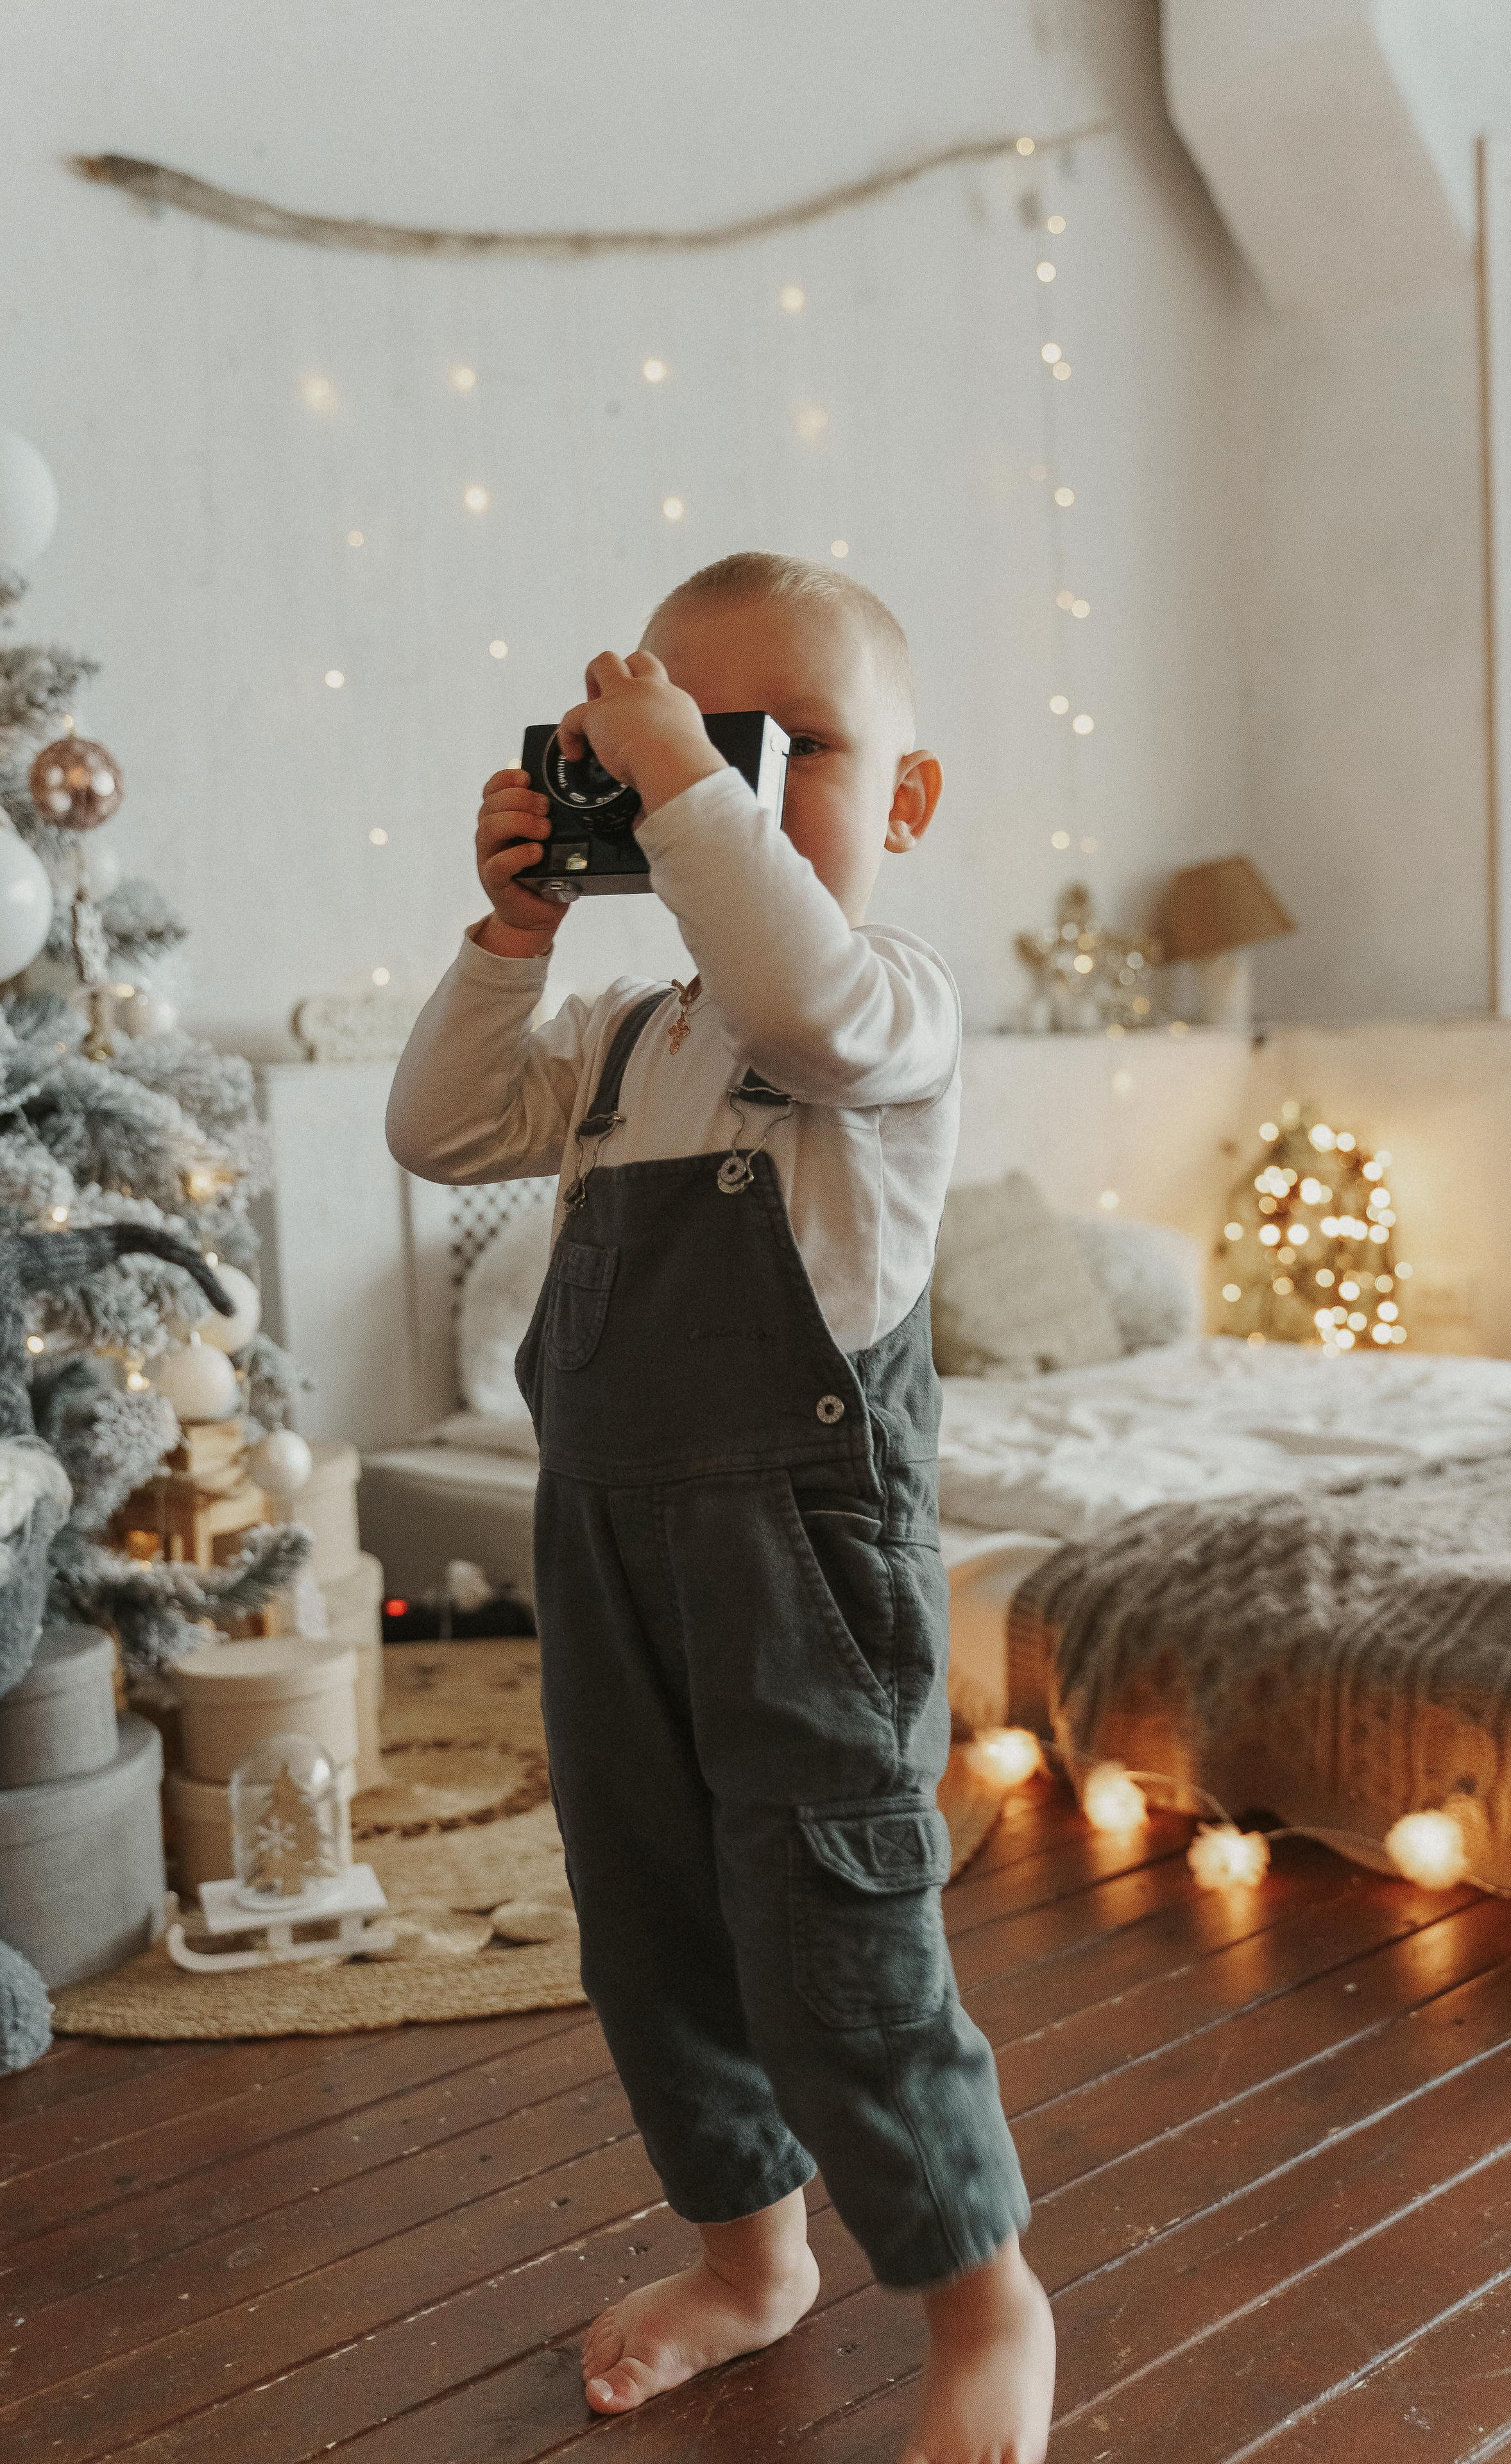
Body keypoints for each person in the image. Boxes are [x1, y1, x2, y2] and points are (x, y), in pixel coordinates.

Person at [387, 552, 1055, 2464]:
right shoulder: (621, 1041)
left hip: (799, 1574)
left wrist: (689, 794)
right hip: (604, 1559)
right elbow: (435, 1133)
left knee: (833, 1928)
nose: (728, 787)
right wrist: (509, 939)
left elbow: (800, 986)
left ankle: (980, 2290)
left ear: (906, 801)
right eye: (686, 744)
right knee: (653, 1931)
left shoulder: (880, 1015)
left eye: (787, 749)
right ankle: (753, 2255)